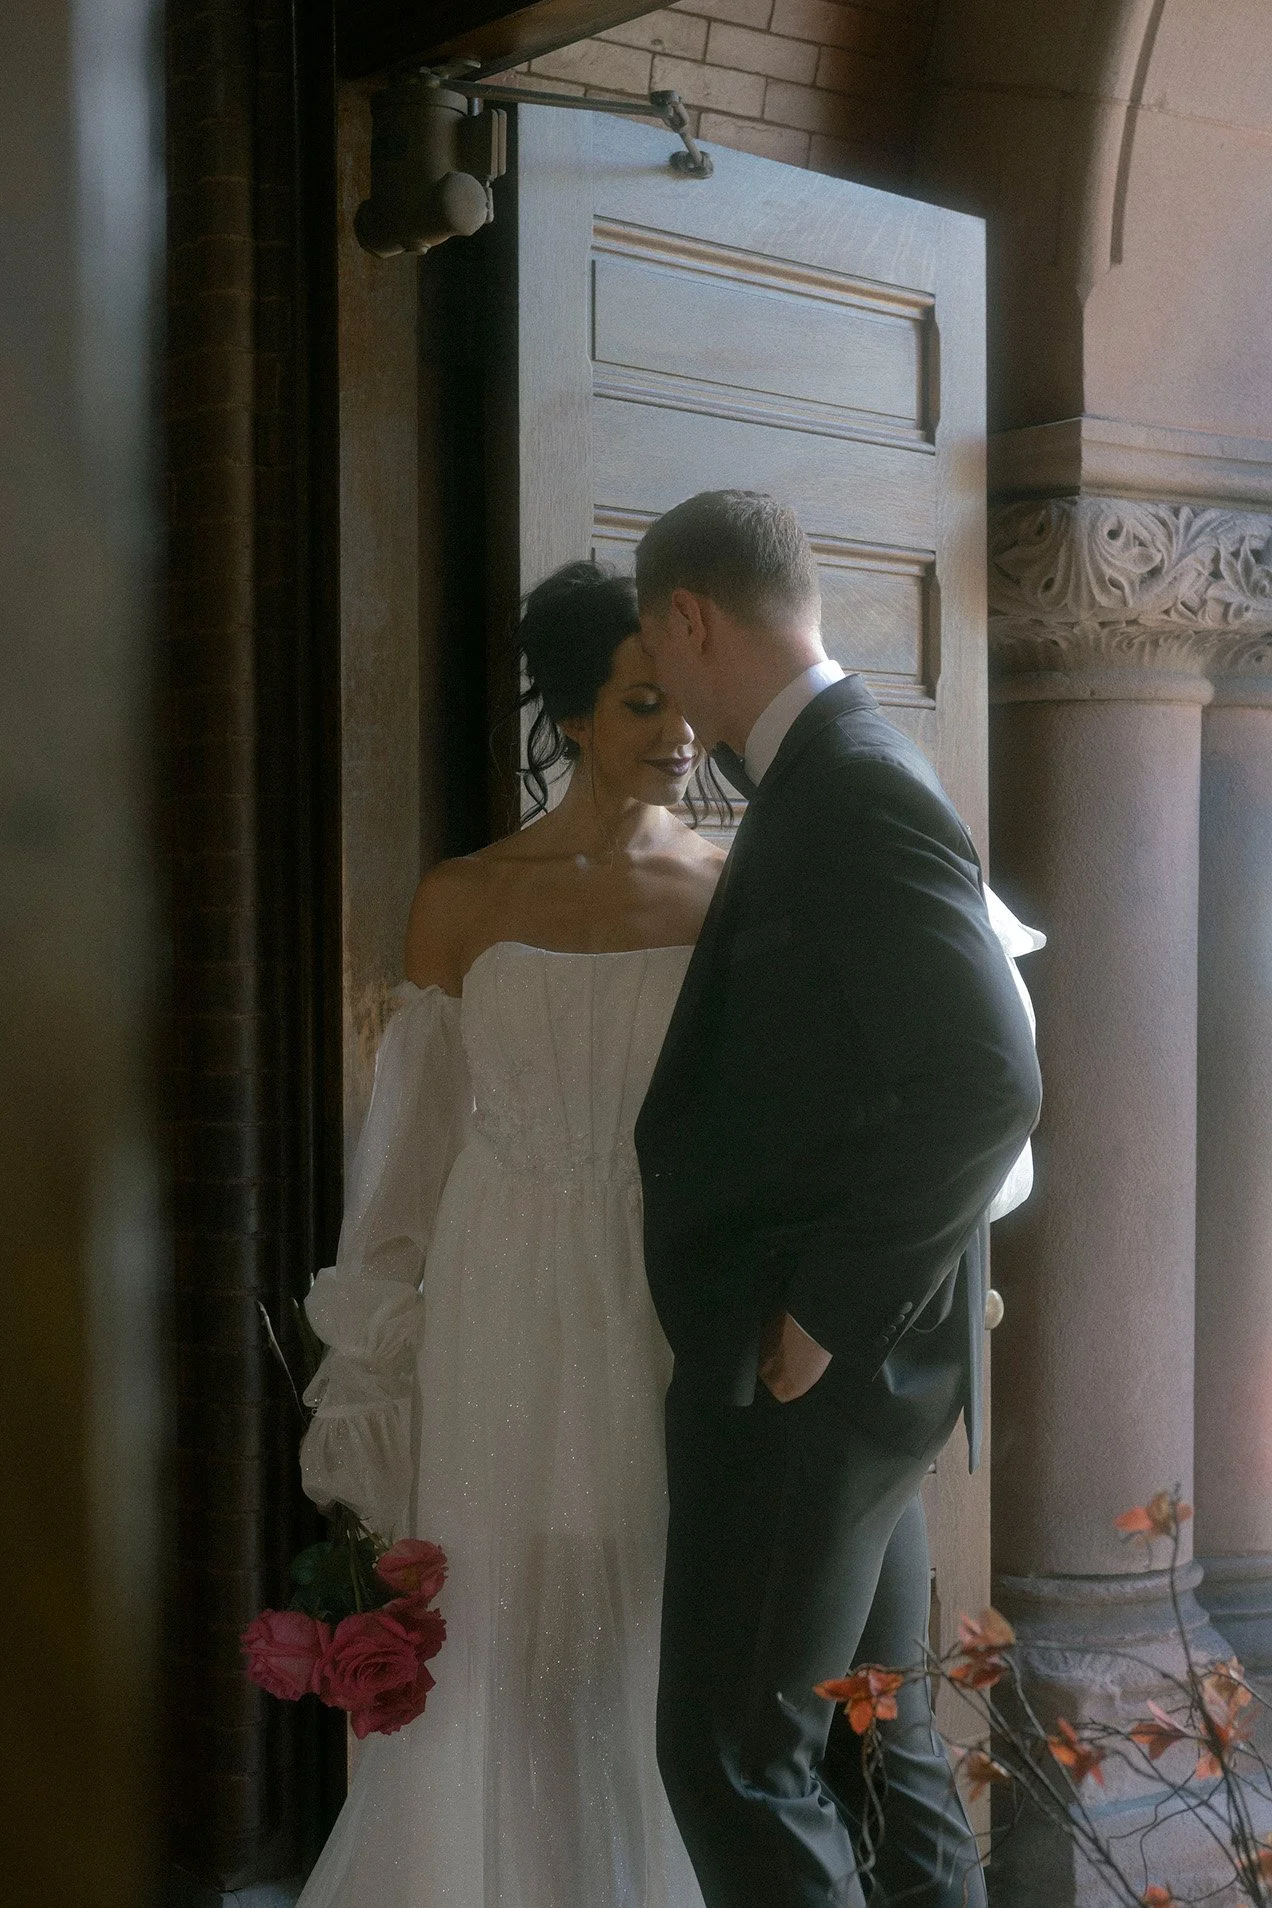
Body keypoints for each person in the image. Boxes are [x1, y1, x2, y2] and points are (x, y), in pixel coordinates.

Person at [634, 491, 1044, 1908]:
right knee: (879, 1747)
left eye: (656, 646)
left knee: (735, 1758)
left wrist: (821, 1312)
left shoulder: (852, 784)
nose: (663, 687)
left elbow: (989, 1081)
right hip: (862, 1373)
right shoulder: (830, 770)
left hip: (820, 1373)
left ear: (690, 618)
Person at [294, 561, 723, 1908]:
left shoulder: (730, 889)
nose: (680, 732)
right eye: (643, 704)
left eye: (686, 701)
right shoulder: (464, 897)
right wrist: (369, 1376)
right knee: (496, 1627)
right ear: (575, 716)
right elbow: (407, 1165)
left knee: (641, 1628)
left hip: (653, 1289)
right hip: (499, 1296)